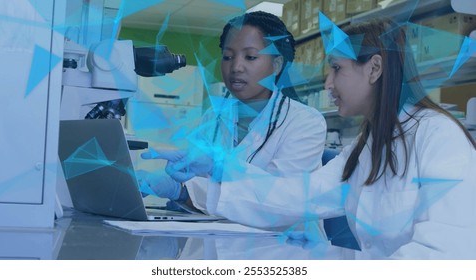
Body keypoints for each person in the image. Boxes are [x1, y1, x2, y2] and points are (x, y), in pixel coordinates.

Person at [152, 18, 476, 259]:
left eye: (336, 69)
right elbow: (301, 195)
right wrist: (220, 171)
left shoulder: (438, 136)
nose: (328, 84)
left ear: (374, 69)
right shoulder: (367, 147)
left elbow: (445, 258)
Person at [136, 11, 327, 227]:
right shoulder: (215, 118)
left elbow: (277, 201)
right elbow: (198, 189)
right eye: (228, 57)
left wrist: (215, 169)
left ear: (276, 65)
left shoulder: (305, 122)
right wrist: (172, 187)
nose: (235, 67)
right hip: (218, 244)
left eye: (250, 57)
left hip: (281, 250)